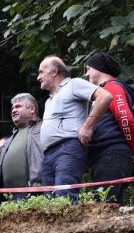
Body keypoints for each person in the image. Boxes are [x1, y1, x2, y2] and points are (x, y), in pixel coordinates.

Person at [37, 56, 113, 202]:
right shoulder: (49, 99)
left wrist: (87, 126)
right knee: (48, 203)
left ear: (54, 72)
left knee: (64, 196)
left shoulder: (73, 84)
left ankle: (70, 224)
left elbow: (105, 96)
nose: (38, 77)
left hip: (67, 148)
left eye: (41, 72)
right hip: (48, 154)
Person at [85, 52, 134, 203]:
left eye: (88, 68)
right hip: (104, 158)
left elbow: (126, 120)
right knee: (108, 207)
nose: (86, 73)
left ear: (99, 68)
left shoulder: (112, 87)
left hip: (111, 156)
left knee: (105, 208)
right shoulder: (102, 91)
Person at [0, 93, 43, 199]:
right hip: (8, 197)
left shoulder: (43, 128)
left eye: (18, 106)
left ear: (32, 109)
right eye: (12, 108)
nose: (13, 110)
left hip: (34, 193)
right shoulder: (10, 139)